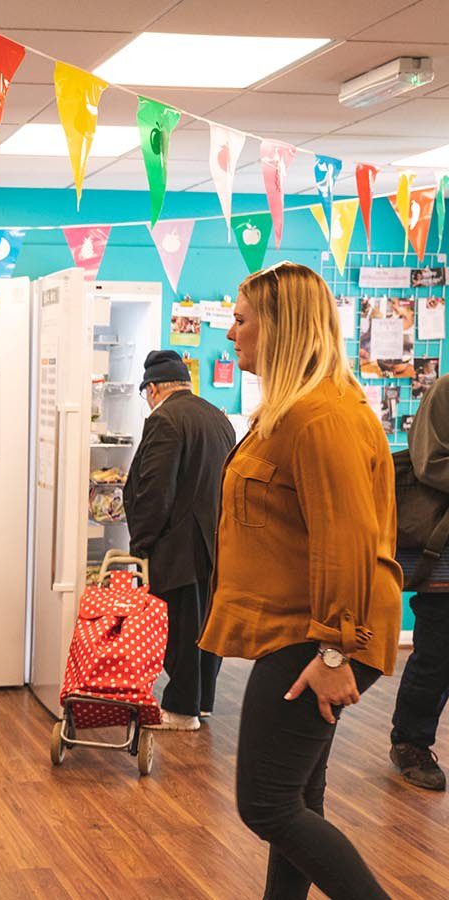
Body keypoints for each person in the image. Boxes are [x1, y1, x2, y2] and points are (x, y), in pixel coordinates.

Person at [200, 262, 400, 900]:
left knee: (266, 805)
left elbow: (347, 538)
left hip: (321, 632)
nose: (231, 333)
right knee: (297, 801)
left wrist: (335, 652)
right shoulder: (291, 409)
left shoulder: (319, 415)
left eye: (240, 319)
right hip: (305, 628)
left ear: (279, 327)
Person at [124, 350, 235, 731]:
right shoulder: (216, 417)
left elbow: (156, 488)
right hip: (216, 543)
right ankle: (201, 703)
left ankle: (183, 709)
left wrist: (141, 542)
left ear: (153, 389)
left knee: (179, 630)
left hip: (178, 545)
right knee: (206, 626)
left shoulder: (164, 419)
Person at [389, 372, 449, 791]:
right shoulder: (446, 390)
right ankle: (409, 743)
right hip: (444, 559)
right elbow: (429, 461)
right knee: (437, 657)